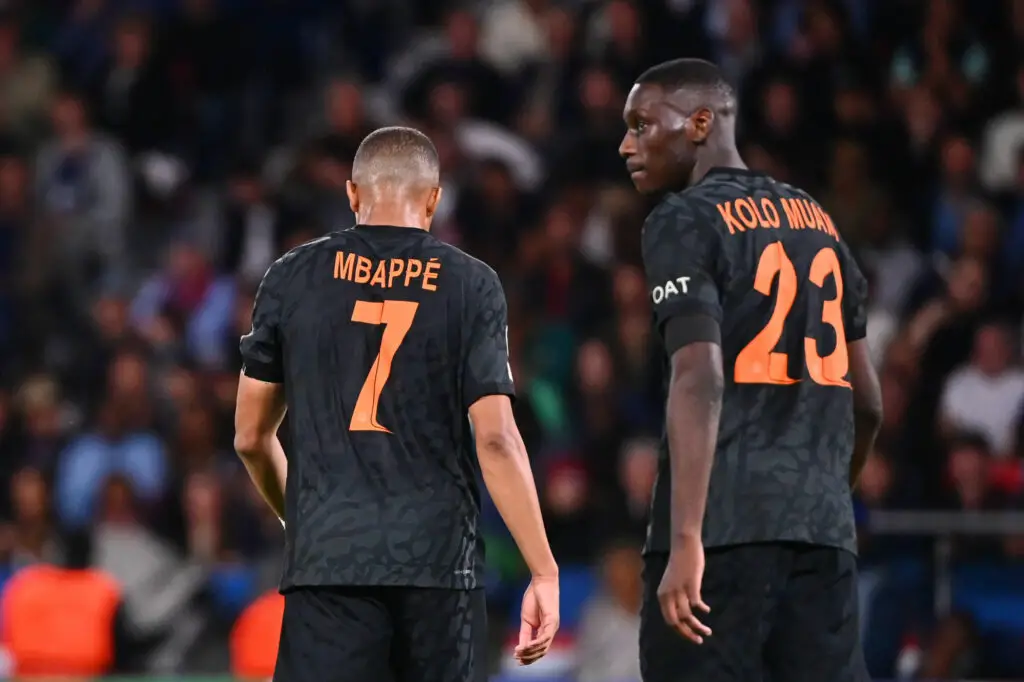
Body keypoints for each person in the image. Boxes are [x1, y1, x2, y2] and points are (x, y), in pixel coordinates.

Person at [233, 126, 560, 682]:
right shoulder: (471, 284)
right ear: (433, 199)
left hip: (329, 562)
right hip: (439, 566)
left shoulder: (290, 277)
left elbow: (249, 436)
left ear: (352, 194)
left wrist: (304, 517)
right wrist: (544, 571)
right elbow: (496, 438)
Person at [619, 59, 883, 682]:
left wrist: (687, 539)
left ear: (699, 123)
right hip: (821, 533)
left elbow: (700, 374)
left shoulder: (682, 219)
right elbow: (867, 400)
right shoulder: (817, 220)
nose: (626, 145)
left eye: (642, 125)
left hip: (722, 533)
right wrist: (828, 495)